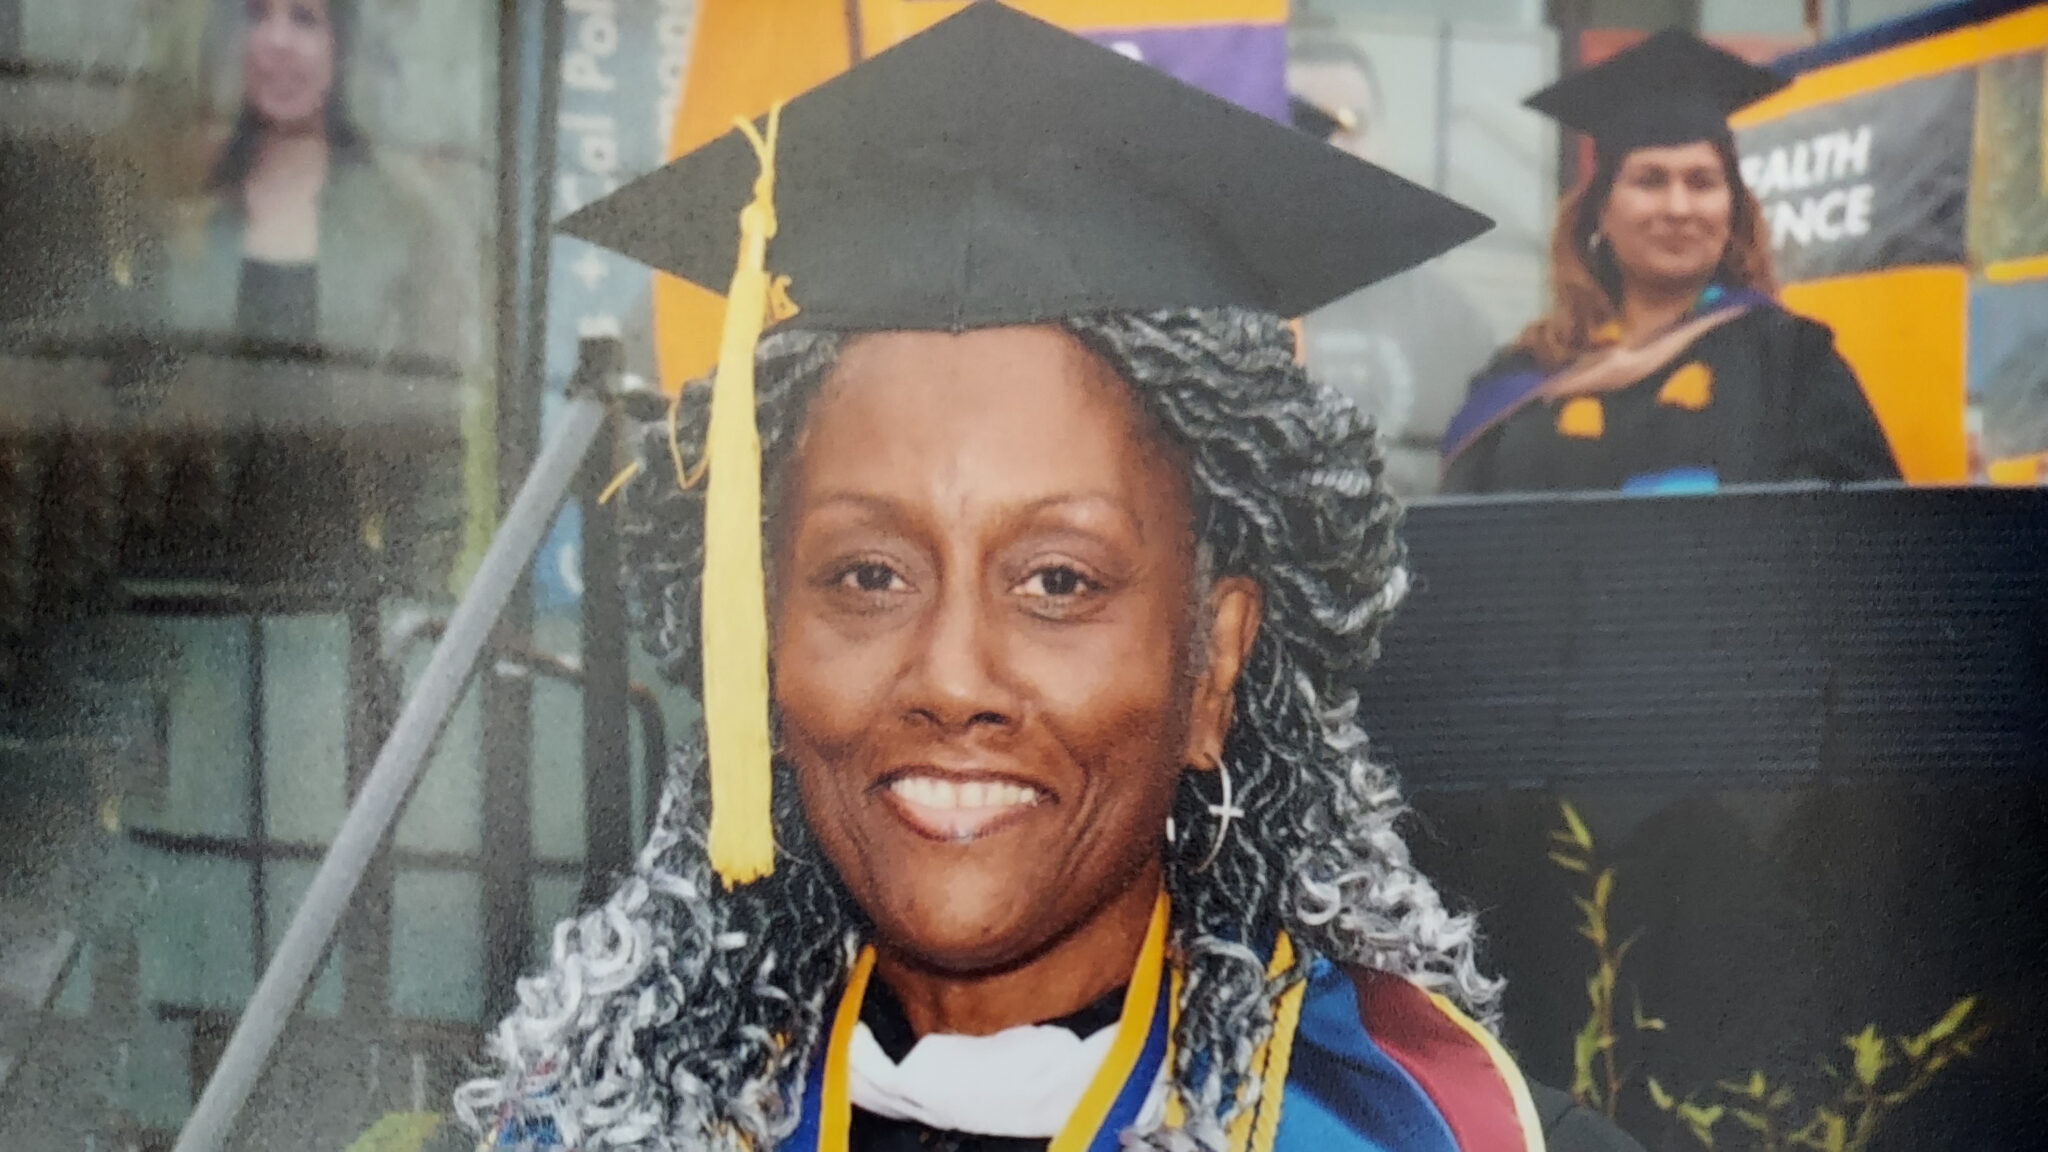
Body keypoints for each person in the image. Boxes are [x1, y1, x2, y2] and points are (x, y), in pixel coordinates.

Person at [460, 7, 1640, 1150]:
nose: (951, 676)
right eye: (866, 574)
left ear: (1212, 661)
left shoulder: (1429, 1136)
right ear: (762, 643)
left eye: (1058, 582)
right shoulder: (611, 1122)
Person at [1440, 30, 1900, 495]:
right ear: (1602, 210)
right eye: (1650, 180)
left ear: (1732, 211)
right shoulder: (1523, 376)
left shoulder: (1791, 364)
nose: (1678, 208)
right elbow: (1459, 542)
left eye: (1702, 182)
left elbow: (1862, 535)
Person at [151, 0, 464, 363]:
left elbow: (433, 400)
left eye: (303, 18)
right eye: (257, 15)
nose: (276, 41)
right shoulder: (186, 214)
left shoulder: (400, 223)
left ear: (341, 43)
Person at [1287, 35, 1498, 497]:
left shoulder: (1455, 324)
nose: (1331, 145)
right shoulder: (1216, 309)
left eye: (1350, 124)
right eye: (1305, 123)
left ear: (1386, 139)